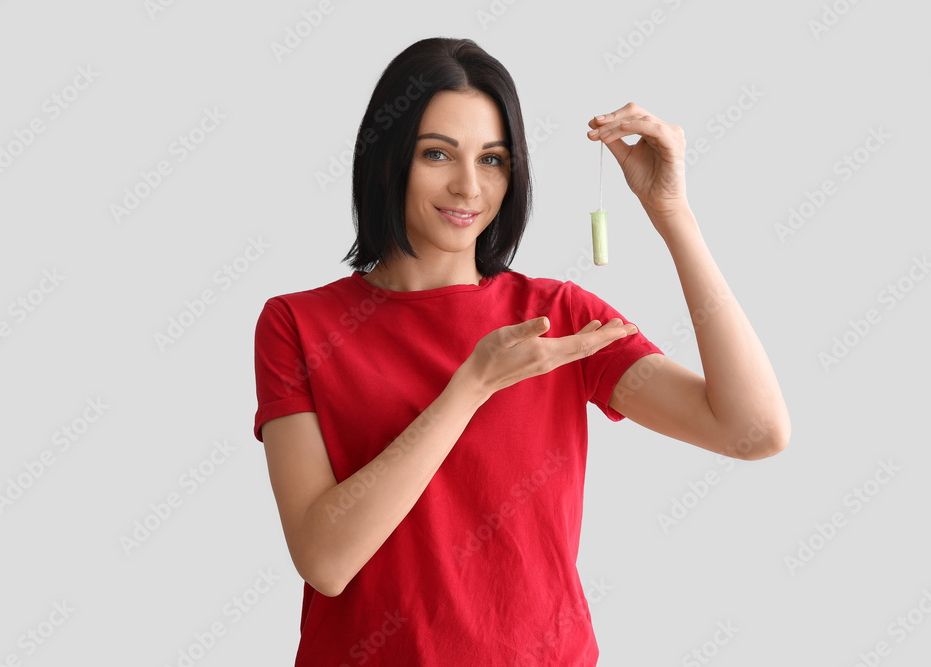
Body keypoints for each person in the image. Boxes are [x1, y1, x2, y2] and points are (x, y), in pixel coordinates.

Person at [253, 36, 790, 666]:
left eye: (493, 160)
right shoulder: (298, 323)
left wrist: (671, 212)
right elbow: (325, 560)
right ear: (386, 158)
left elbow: (753, 431)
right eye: (437, 154)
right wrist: (471, 386)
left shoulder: (558, 318)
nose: (467, 186)